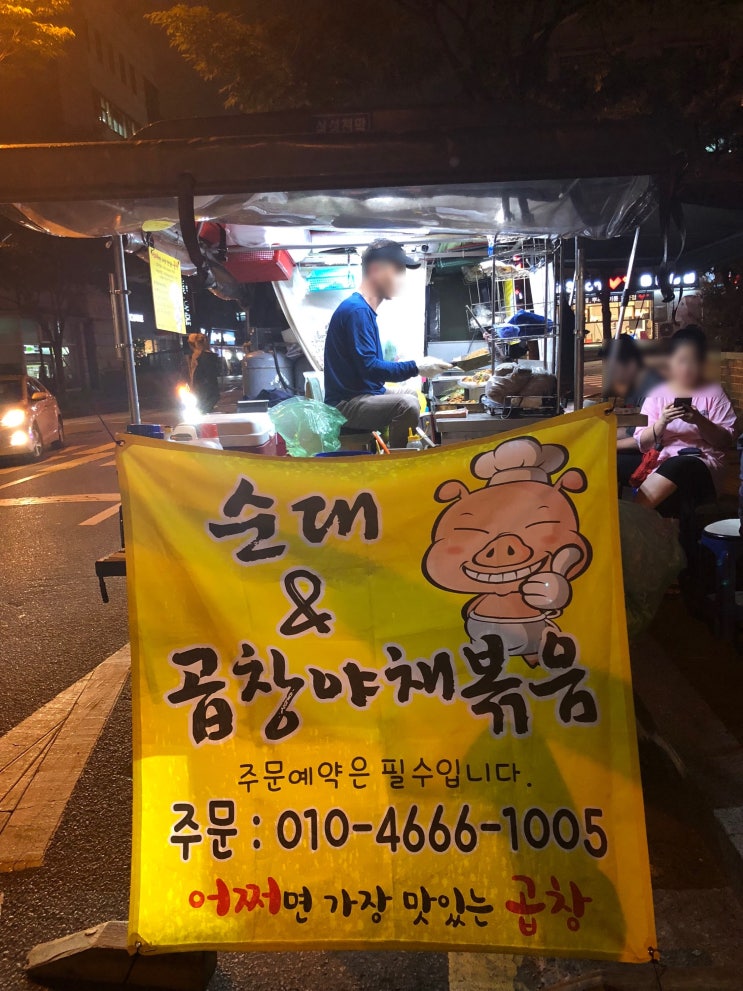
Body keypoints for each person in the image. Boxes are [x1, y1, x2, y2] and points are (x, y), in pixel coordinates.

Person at [324, 240, 451, 447]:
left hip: (364, 393)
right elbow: (370, 368)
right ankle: (397, 462)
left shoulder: (362, 309)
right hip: (345, 404)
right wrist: (416, 366)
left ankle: (396, 447)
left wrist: (415, 367)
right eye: (397, 271)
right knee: (407, 405)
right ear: (375, 270)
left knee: (412, 394)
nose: (401, 279)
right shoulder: (357, 311)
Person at [634, 326, 736, 514]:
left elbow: (725, 441)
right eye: (681, 361)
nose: (687, 368)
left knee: (682, 464)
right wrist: (662, 422)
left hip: (705, 462)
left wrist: (699, 420)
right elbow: (642, 442)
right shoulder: (658, 395)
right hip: (664, 462)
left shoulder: (714, 394)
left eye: (693, 361)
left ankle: (633, 516)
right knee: (673, 472)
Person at [602, 335, 663, 487]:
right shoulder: (634, 384)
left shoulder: (651, 386)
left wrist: (606, 445)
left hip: (658, 455)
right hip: (645, 446)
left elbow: (644, 439)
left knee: (601, 461)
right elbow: (632, 430)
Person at [186, 332, 221, 413]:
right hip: (202, 396)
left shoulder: (204, 358)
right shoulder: (197, 357)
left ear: (192, 345)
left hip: (205, 397)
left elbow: (209, 379)